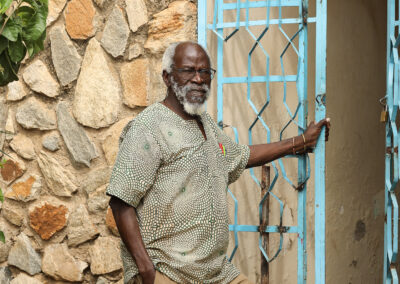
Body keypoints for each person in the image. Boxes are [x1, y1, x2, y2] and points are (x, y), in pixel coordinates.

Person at [107, 41, 330, 284]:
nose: (199, 79)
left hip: (215, 273)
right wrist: (147, 272)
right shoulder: (148, 127)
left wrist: (301, 142)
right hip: (168, 272)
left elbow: (240, 156)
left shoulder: (205, 124)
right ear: (168, 77)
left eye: (205, 72)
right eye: (188, 71)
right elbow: (121, 201)